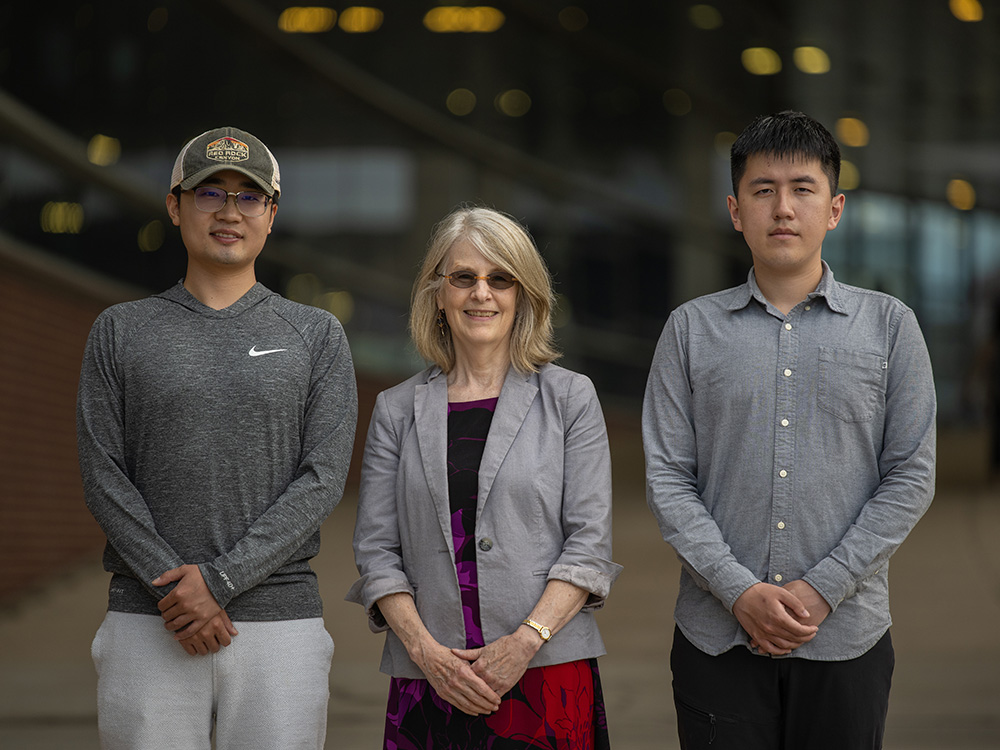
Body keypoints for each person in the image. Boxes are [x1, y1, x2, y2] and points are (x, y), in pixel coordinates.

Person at [642, 111, 936, 749]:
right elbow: (668, 478)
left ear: (834, 210)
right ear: (734, 209)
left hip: (847, 638)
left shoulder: (890, 326)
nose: (783, 207)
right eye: (762, 189)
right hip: (716, 637)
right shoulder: (690, 331)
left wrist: (823, 589)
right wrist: (738, 589)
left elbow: (911, 475)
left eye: (803, 189)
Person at [76, 126, 358, 750]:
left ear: (271, 215)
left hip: (279, 625)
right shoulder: (121, 331)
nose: (230, 212)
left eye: (249, 197)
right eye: (210, 193)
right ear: (175, 206)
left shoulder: (316, 335)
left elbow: (322, 479)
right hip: (147, 620)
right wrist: (177, 590)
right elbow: (102, 474)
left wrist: (220, 584)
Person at [347, 206, 622, 749]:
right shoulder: (395, 409)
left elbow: (588, 547)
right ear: (437, 293)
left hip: (544, 676)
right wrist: (428, 656)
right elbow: (378, 554)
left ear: (524, 295)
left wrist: (523, 643)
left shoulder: (571, 399)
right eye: (463, 278)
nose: (481, 294)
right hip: (429, 678)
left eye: (500, 279)